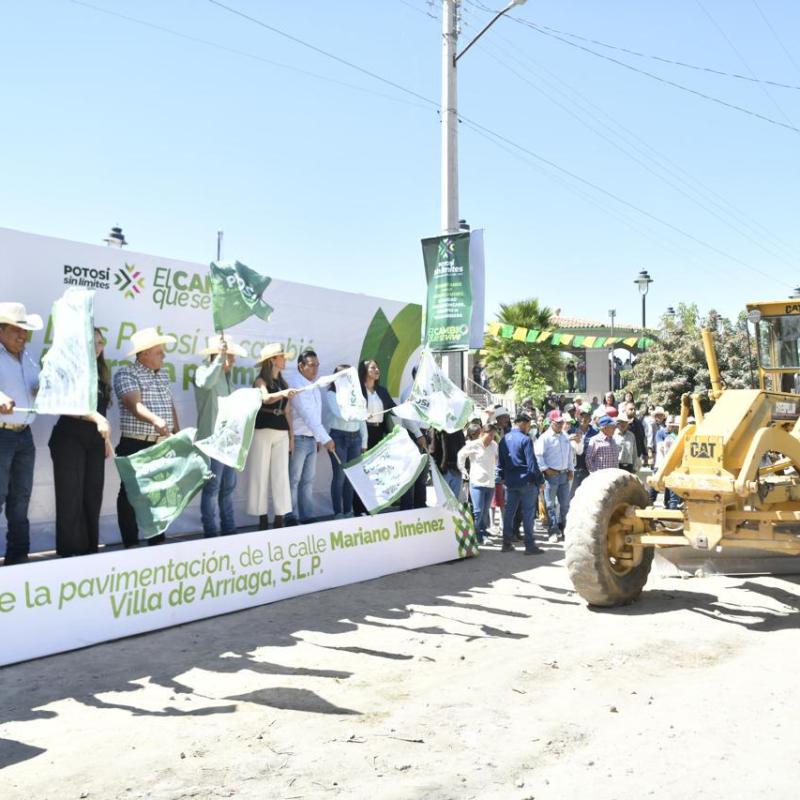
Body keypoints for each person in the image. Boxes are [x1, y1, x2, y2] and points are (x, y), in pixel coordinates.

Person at [48, 327, 114, 557]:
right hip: (69, 438)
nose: (97, 346)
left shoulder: (101, 372)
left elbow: (102, 410)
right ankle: (68, 555)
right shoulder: (69, 368)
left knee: (92, 498)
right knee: (70, 499)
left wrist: (105, 440)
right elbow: (63, 404)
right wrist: (96, 419)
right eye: (92, 342)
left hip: (94, 441)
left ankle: (89, 554)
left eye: (100, 342)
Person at [113, 327, 179, 547]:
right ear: (144, 354)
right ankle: (131, 544)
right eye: (159, 352)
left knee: (159, 494)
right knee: (131, 495)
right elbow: (134, 404)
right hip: (135, 443)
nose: (164, 356)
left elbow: (169, 405)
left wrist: (176, 432)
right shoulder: (126, 373)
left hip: (160, 443)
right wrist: (155, 420)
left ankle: (157, 541)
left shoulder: (163, 374)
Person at [0, 302, 42, 565]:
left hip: (24, 435)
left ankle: (18, 557)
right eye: (17, 330)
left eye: (25, 331)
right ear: (1, 330)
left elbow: (36, 388)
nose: (22, 336)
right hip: (2, 435)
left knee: (21, 496)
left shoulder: (28, 357)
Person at [194, 334, 246, 537]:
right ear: (219, 355)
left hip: (228, 442)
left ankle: (229, 528)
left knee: (227, 488)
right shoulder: (202, 371)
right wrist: (219, 358)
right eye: (230, 356)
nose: (233, 360)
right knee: (213, 488)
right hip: (212, 442)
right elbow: (206, 383)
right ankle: (210, 532)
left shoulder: (227, 379)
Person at [247, 343, 297, 529]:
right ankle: (262, 519)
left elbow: (288, 411)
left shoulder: (283, 383)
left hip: (281, 431)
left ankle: (279, 518)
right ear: (272, 360)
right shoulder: (260, 381)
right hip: (262, 429)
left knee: (281, 474)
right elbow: (265, 398)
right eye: (281, 357)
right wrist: (283, 393)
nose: (284, 360)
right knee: (259, 474)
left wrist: (292, 437)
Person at [286, 349, 335, 524]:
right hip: (298, 439)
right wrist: (324, 438)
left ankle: (306, 516)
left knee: (307, 480)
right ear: (301, 366)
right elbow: (307, 415)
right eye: (312, 365)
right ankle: (289, 516)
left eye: (317, 365)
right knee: (293, 479)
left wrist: (317, 438)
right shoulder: (296, 384)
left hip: (311, 439)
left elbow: (316, 416)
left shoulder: (313, 386)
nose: (315, 369)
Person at [323, 364, 367, 519]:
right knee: (340, 476)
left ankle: (348, 511)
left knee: (351, 477)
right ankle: (338, 512)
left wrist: (364, 442)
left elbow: (362, 419)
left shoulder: (356, 393)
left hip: (356, 438)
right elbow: (340, 413)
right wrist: (359, 414)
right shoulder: (331, 394)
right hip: (338, 437)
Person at [352, 359, 396, 515]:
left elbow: (393, 409)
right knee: (362, 473)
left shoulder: (382, 391)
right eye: (373, 368)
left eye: (377, 367)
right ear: (364, 371)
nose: (377, 370)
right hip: (363, 433)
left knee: (375, 473)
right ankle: (359, 508)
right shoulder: (358, 390)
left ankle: (373, 506)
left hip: (379, 434)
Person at [497, 412, 544, 554]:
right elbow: (532, 464)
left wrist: (502, 477)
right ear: (523, 423)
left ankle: (506, 543)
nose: (529, 428)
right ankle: (529, 546)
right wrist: (540, 481)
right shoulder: (525, 439)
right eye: (529, 425)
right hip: (526, 482)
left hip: (511, 482)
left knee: (509, 514)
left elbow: (501, 463)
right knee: (528, 514)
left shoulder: (504, 439)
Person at [535, 409, 575, 542]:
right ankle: (552, 530)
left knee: (564, 504)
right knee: (550, 504)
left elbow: (569, 454)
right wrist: (545, 469)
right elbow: (538, 455)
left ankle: (564, 529)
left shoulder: (564, 436)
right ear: (551, 422)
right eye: (557, 422)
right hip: (551, 476)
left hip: (563, 474)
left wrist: (570, 469)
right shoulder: (544, 437)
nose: (560, 424)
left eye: (561, 422)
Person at [457, 422, 498, 544]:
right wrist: (463, 469)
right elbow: (461, 455)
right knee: (478, 511)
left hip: (490, 483)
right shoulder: (473, 445)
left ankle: (483, 534)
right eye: (489, 435)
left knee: (485, 511)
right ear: (481, 433)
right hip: (477, 482)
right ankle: (476, 534)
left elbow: (496, 460)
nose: (491, 438)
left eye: (493, 435)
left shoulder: (494, 445)